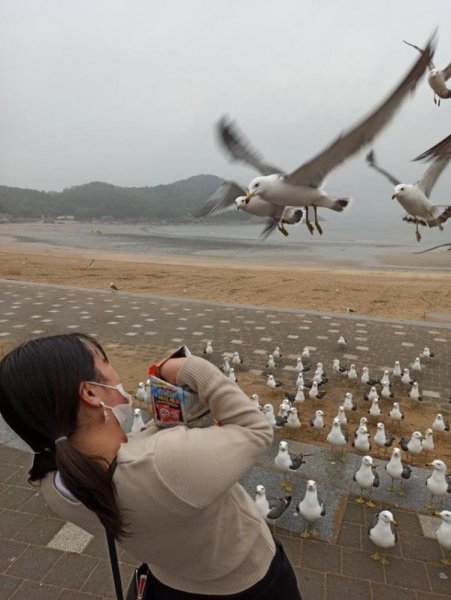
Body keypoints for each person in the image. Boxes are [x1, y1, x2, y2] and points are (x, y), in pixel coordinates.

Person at [0, 333, 301, 599]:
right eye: (104, 362)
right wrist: (190, 368)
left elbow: (139, 458)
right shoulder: (163, 464)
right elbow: (256, 430)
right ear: (90, 393)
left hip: (168, 581)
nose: (111, 368)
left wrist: (167, 419)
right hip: (248, 582)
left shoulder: (53, 480)